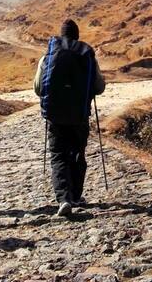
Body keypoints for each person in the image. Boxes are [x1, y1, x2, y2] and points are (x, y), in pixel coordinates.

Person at [34, 19, 105, 216]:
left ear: (61, 33)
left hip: (55, 116)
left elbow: (38, 88)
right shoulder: (87, 55)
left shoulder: (47, 57)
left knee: (58, 156)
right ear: (77, 35)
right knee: (77, 154)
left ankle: (63, 199)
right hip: (80, 116)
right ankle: (75, 196)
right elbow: (99, 87)